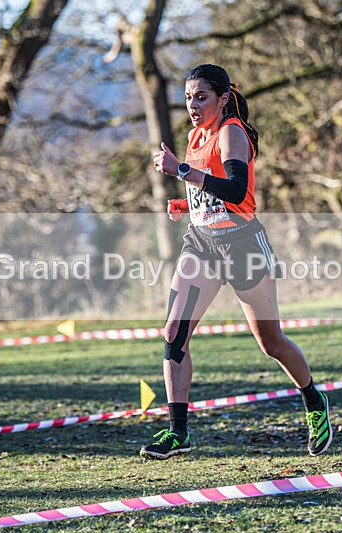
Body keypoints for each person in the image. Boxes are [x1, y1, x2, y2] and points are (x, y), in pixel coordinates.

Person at [140, 64, 332, 460]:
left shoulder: (231, 133)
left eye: (201, 97)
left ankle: (313, 400)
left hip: (242, 245)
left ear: (223, 98)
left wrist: (182, 171)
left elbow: (236, 189)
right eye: (188, 97)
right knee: (174, 332)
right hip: (202, 245)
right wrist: (185, 201)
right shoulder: (196, 134)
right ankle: (178, 432)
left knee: (271, 343)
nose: (192, 106)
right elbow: (208, 192)